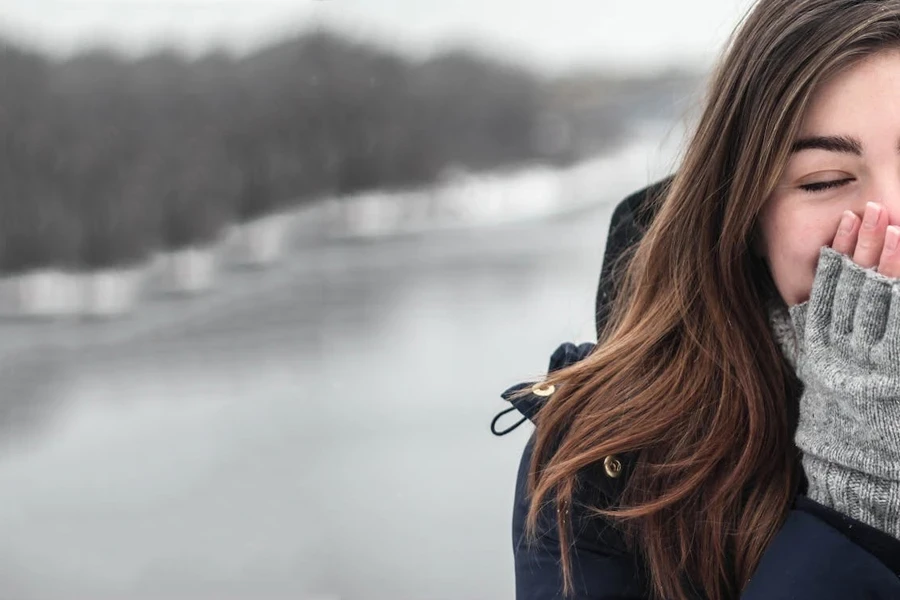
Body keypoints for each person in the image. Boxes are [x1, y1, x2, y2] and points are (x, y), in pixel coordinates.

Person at [491, 0, 900, 598]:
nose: (888, 223)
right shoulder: (608, 466)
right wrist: (857, 494)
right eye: (823, 181)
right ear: (748, 217)